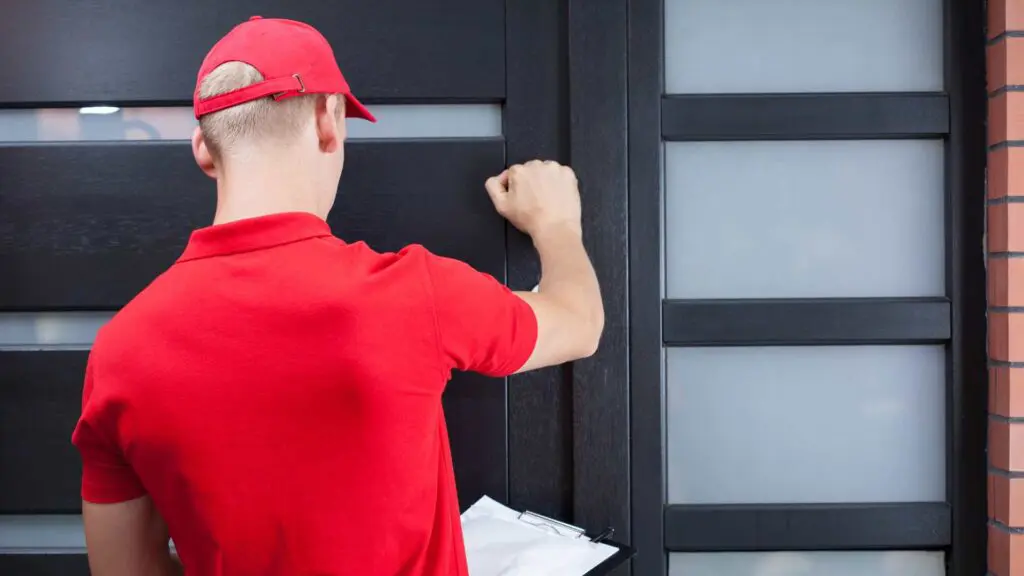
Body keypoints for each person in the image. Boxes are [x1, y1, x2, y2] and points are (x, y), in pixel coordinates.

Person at [71, 16, 603, 576]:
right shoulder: (413, 293)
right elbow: (580, 323)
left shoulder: (119, 353)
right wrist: (557, 222)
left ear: (203, 149)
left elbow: (124, 569)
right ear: (328, 122)